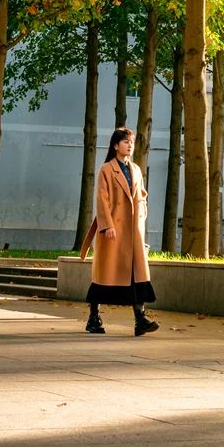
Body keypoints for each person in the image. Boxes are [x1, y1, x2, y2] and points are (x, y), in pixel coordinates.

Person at [82, 127, 158, 337]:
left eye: (131, 142)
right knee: (104, 277)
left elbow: (141, 196)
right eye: (125, 142)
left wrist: (142, 217)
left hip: (132, 233)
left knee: (137, 277)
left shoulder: (135, 169)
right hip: (113, 231)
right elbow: (102, 198)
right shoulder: (107, 169)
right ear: (116, 145)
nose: (130, 145)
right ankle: (93, 318)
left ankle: (140, 319)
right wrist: (107, 226)